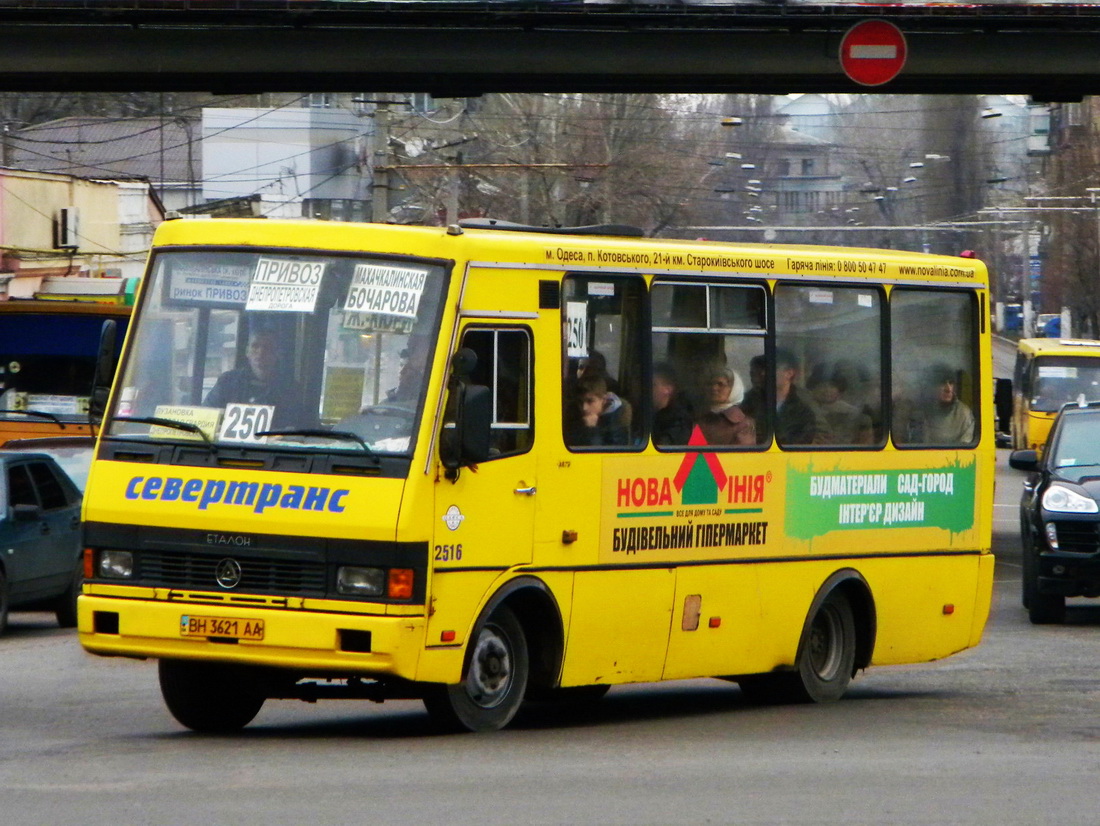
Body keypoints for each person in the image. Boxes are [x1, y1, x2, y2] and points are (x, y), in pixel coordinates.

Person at [204, 327, 306, 428]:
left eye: (267, 347)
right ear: (247, 351)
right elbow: (207, 416)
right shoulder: (227, 382)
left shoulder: (290, 389)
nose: (260, 352)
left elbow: (295, 426)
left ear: (277, 353)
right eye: (255, 346)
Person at [898, 363, 975, 444]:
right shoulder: (919, 411)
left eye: (951, 383)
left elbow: (966, 451)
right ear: (932, 386)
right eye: (942, 383)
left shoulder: (964, 414)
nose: (948, 389)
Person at [774, 348, 828, 446]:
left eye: (772, 368)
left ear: (789, 373)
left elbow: (822, 433)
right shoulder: (755, 397)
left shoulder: (803, 399)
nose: (764, 373)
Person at [697, 367, 755, 446]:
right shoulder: (699, 416)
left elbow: (743, 456)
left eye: (720, 384)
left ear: (734, 389)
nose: (714, 388)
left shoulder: (743, 424)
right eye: (710, 384)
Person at [568, 374, 629, 446]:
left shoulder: (617, 423)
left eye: (590, 401)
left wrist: (592, 430)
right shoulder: (574, 416)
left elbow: (603, 454)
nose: (584, 408)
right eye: (580, 402)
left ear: (604, 400)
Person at [651, 363, 694, 446]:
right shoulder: (650, 414)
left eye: (653, 385)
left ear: (668, 389)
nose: (648, 390)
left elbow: (662, 448)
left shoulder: (679, 421)